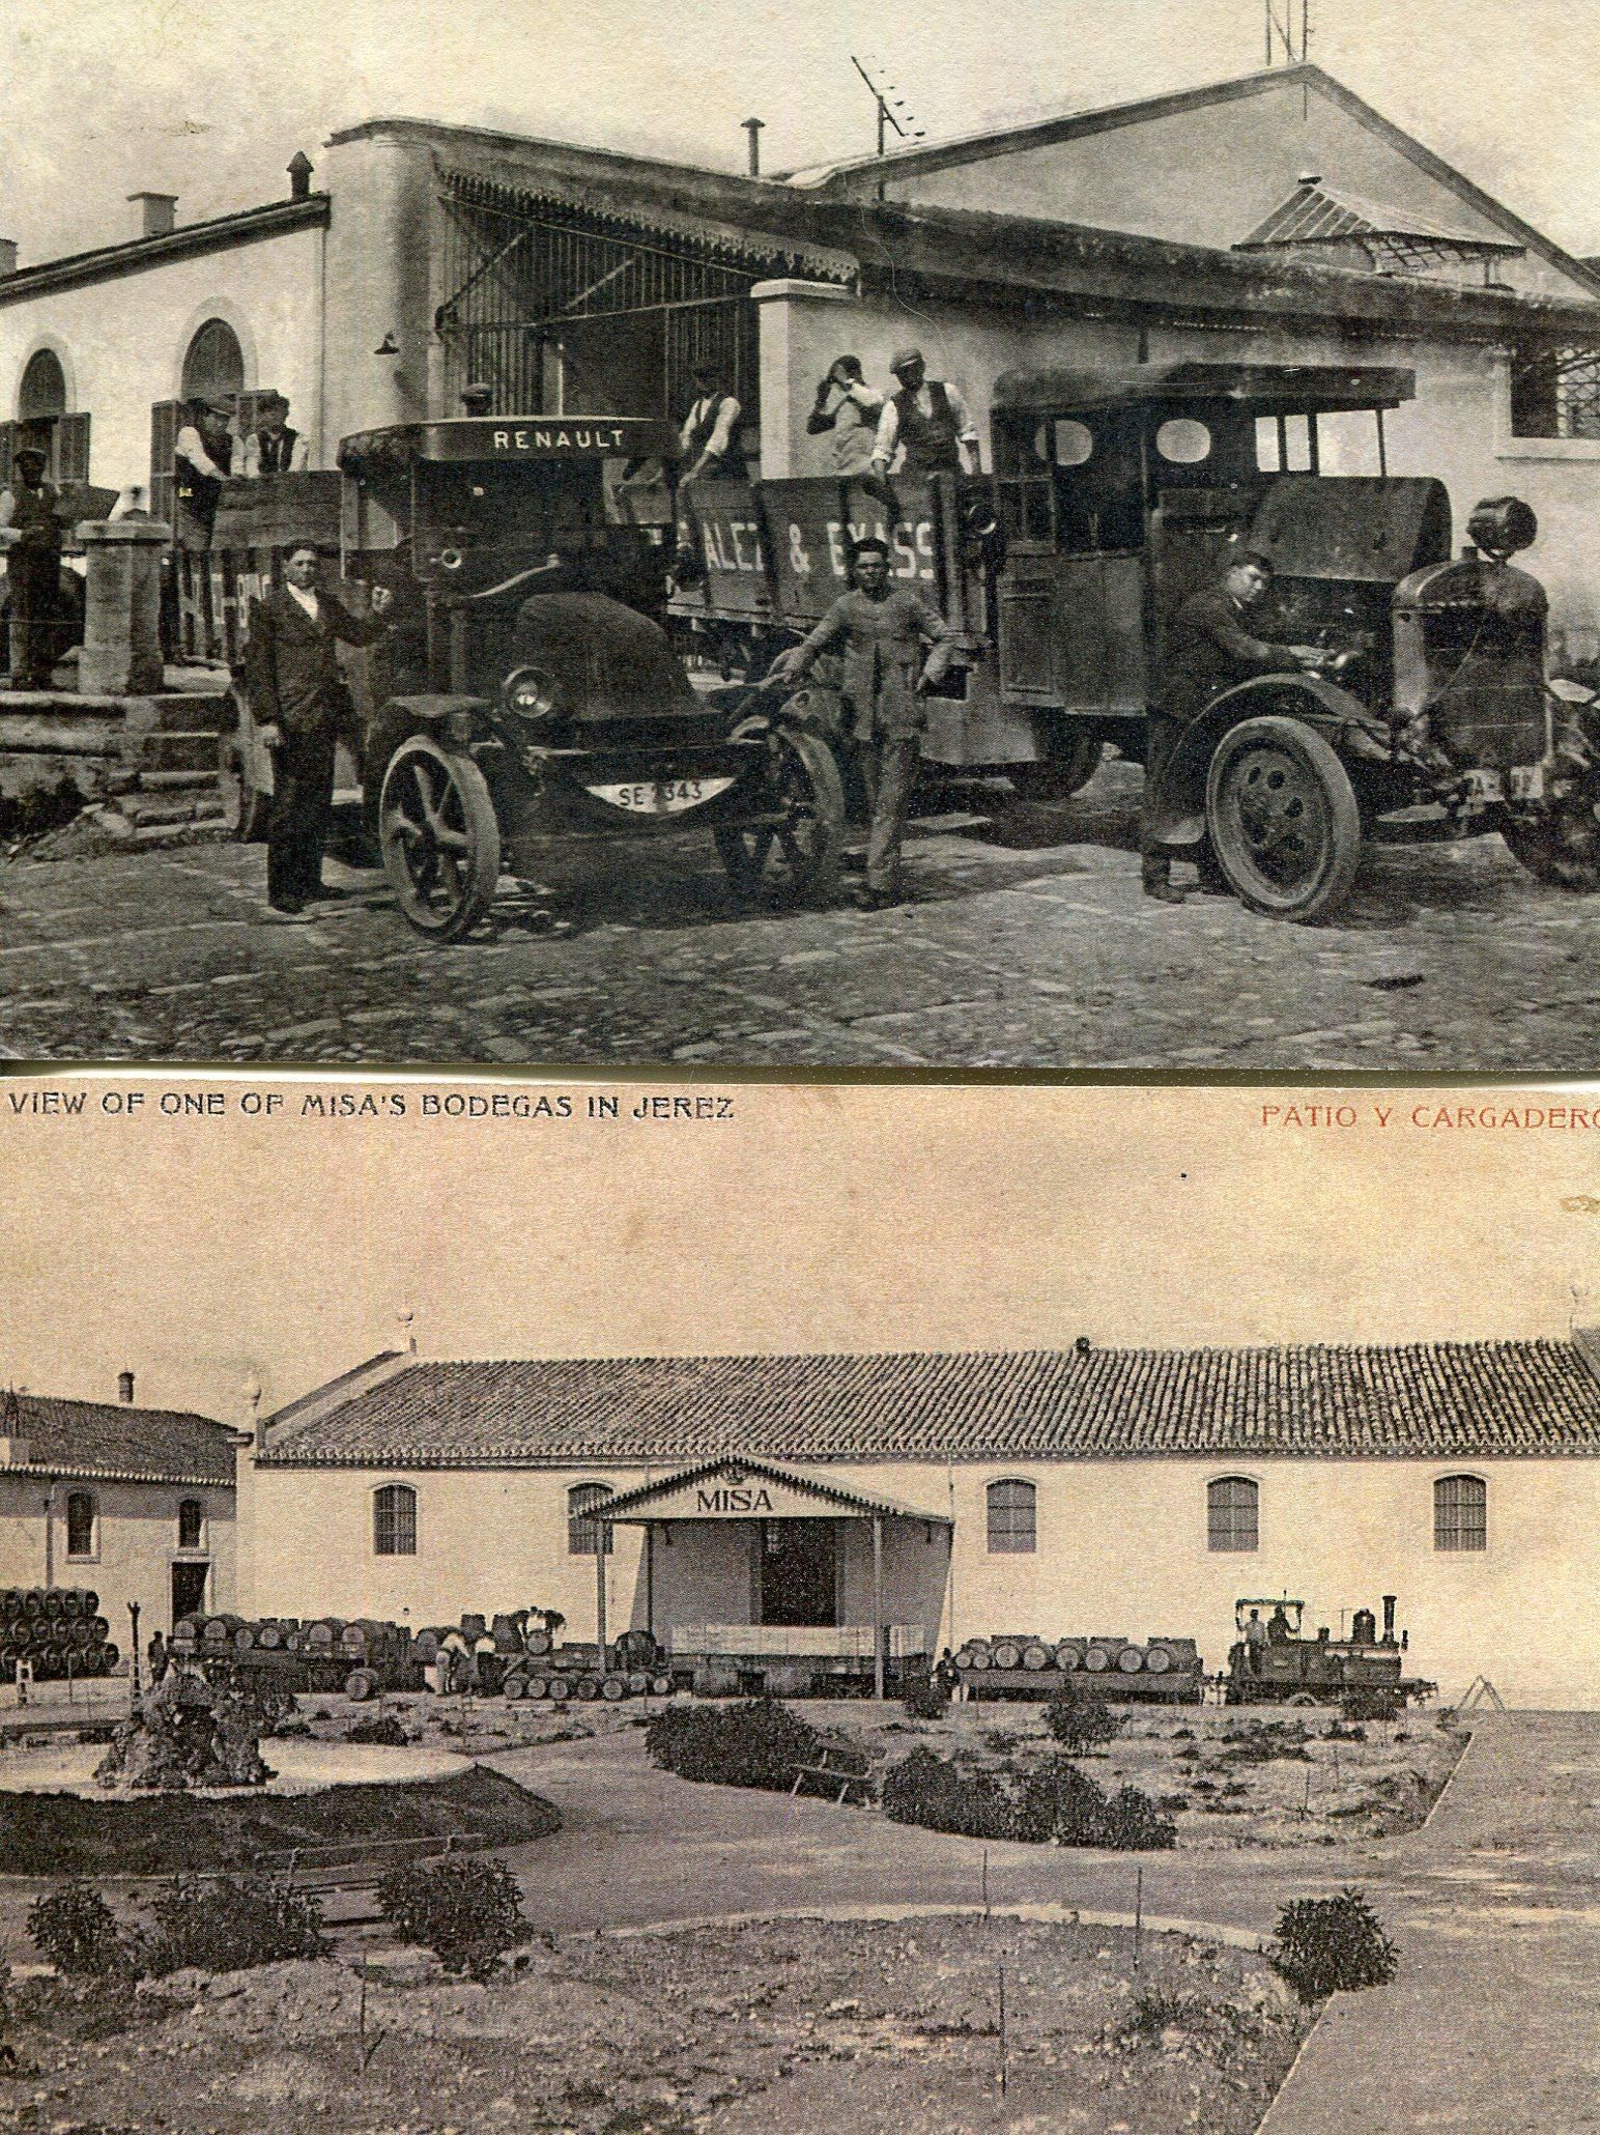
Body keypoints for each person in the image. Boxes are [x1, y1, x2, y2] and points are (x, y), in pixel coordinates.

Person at [767, 534, 953, 909]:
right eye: (864, 567)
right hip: (860, 719)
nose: (871, 572)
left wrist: (931, 673)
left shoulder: (907, 603)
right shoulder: (845, 606)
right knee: (872, 799)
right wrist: (793, 668)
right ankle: (879, 865)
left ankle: (881, 884)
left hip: (901, 715)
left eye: (877, 566)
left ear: (887, 568)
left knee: (891, 800)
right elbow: (814, 642)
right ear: (854, 571)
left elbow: (945, 637)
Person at [1142, 551, 1304, 904]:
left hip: (1207, 711)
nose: (1258, 587)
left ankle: (1213, 875)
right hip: (1178, 709)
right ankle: (1154, 879)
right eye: (1251, 578)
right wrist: (1296, 655)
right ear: (1231, 574)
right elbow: (1245, 650)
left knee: (1207, 792)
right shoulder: (1208, 606)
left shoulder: (1237, 610)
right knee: (1165, 790)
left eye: (1264, 581)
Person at [243, 543, 393, 922]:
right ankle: (282, 891)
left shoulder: (326, 603)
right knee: (289, 804)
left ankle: (311, 883)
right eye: (300, 563)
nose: (308, 569)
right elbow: (258, 668)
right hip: (291, 716)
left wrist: (378, 612)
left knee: (317, 801)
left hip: (324, 714)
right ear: (286, 568)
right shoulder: (269, 609)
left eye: (312, 564)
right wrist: (267, 720)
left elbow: (358, 635)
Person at [0, 444, 65, 688]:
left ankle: (43, 674)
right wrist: (22, 534)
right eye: (27, 466)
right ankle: (19, 674)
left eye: (37, 465)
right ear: (21, 469)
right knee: (23, 615)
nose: (32, 470)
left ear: (43, 467)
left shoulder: (53, 492)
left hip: (49, 560)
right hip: (23, 562)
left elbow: (64, 521)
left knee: (47, 615)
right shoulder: (10, 496)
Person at [870, 347, 981, 483]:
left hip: (952, 474)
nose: (909, 375)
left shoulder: (948, 392)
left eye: (914, 368)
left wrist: (977, 472)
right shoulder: (893, 407)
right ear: (897, 375)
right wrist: (881, 481)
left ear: (922, 367)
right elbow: (883, 449)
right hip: (916, 480)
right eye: (903, 372)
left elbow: (968, 431)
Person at [172, 397, 236, 553]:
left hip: (213, 502)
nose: (220, 424)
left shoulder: (230, 441)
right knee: (195, 545)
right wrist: (223, 477)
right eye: (216, 418)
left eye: (225, 420)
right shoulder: (189, 433)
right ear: (205, 416)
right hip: (187, 494)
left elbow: (237, 465)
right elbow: (199, 460)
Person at [806, 354, 884, 478]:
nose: (839, 385)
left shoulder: (873, 395)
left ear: (856, 374)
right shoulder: (845, 404)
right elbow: (812, 427)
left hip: (868, 469)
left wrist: (847, 382)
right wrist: (821, 400)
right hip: (844, 470)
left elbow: (876, 409)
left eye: (840, 379)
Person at [677, 362, 746, 489]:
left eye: (708, 378)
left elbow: (718, 438)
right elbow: (686, 434)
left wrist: (695, 470)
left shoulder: (729, 403)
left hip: (726, 468)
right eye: (699, 379)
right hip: (703, 467)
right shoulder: (698, 405)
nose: (703, 382)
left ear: (717, 379)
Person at [241, 392, 309, 477]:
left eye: (278, 410)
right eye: (269, 411)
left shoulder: (299, 438)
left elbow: (296, 467)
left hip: (289, 484)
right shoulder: (254, 439)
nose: (274, 415)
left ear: (286, 414)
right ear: (262, 416)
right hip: (263, 486)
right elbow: (252, 468)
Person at [1243, 1607, 1267, 1677]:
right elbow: (1242, 1629)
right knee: (1251, 1659)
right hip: (1251, 1644)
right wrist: (1237, 1622)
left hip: (1258, 1644)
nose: (1254, 1615)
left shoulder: (1261, 1624)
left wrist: (1263, 1643)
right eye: (1253, 1614)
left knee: (1258, 1659)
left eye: (1255, 1614)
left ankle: (1258, 1673)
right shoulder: (1248, 1624)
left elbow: (1265, 1634)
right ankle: (1253, 1673)